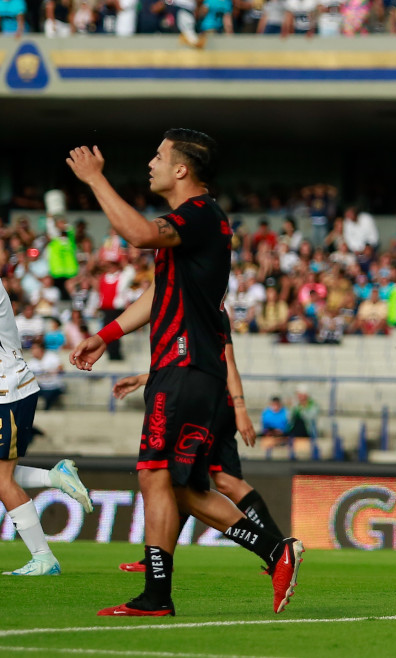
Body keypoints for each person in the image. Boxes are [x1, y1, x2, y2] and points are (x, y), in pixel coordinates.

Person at [66, 130, 302, 617]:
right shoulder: (196, 223)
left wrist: (95, 180)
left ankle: (158, 597)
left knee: (154, 474)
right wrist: (107, 334)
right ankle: (276, 551)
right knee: (181, 487)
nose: (150, 162)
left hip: (186, 365)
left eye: (158, 155)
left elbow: (136, 234)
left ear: (181, 170)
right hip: (186, 367)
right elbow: (159, 295)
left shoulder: (198, 215)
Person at [112, 310, 287, 572]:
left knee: (185, 482)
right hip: (212, 402)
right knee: (193, 482)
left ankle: (278, 549)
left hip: (212, 407)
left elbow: (225, 361)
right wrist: (142, 379)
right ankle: (277, 549)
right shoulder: (195, 301)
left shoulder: (206, 305)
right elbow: (188, 365)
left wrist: (240, 407)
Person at [0, 278, 93, 576]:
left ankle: (44, 558)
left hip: (7, 391)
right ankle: (55, 476)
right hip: (11, 387)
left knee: (2, 480)